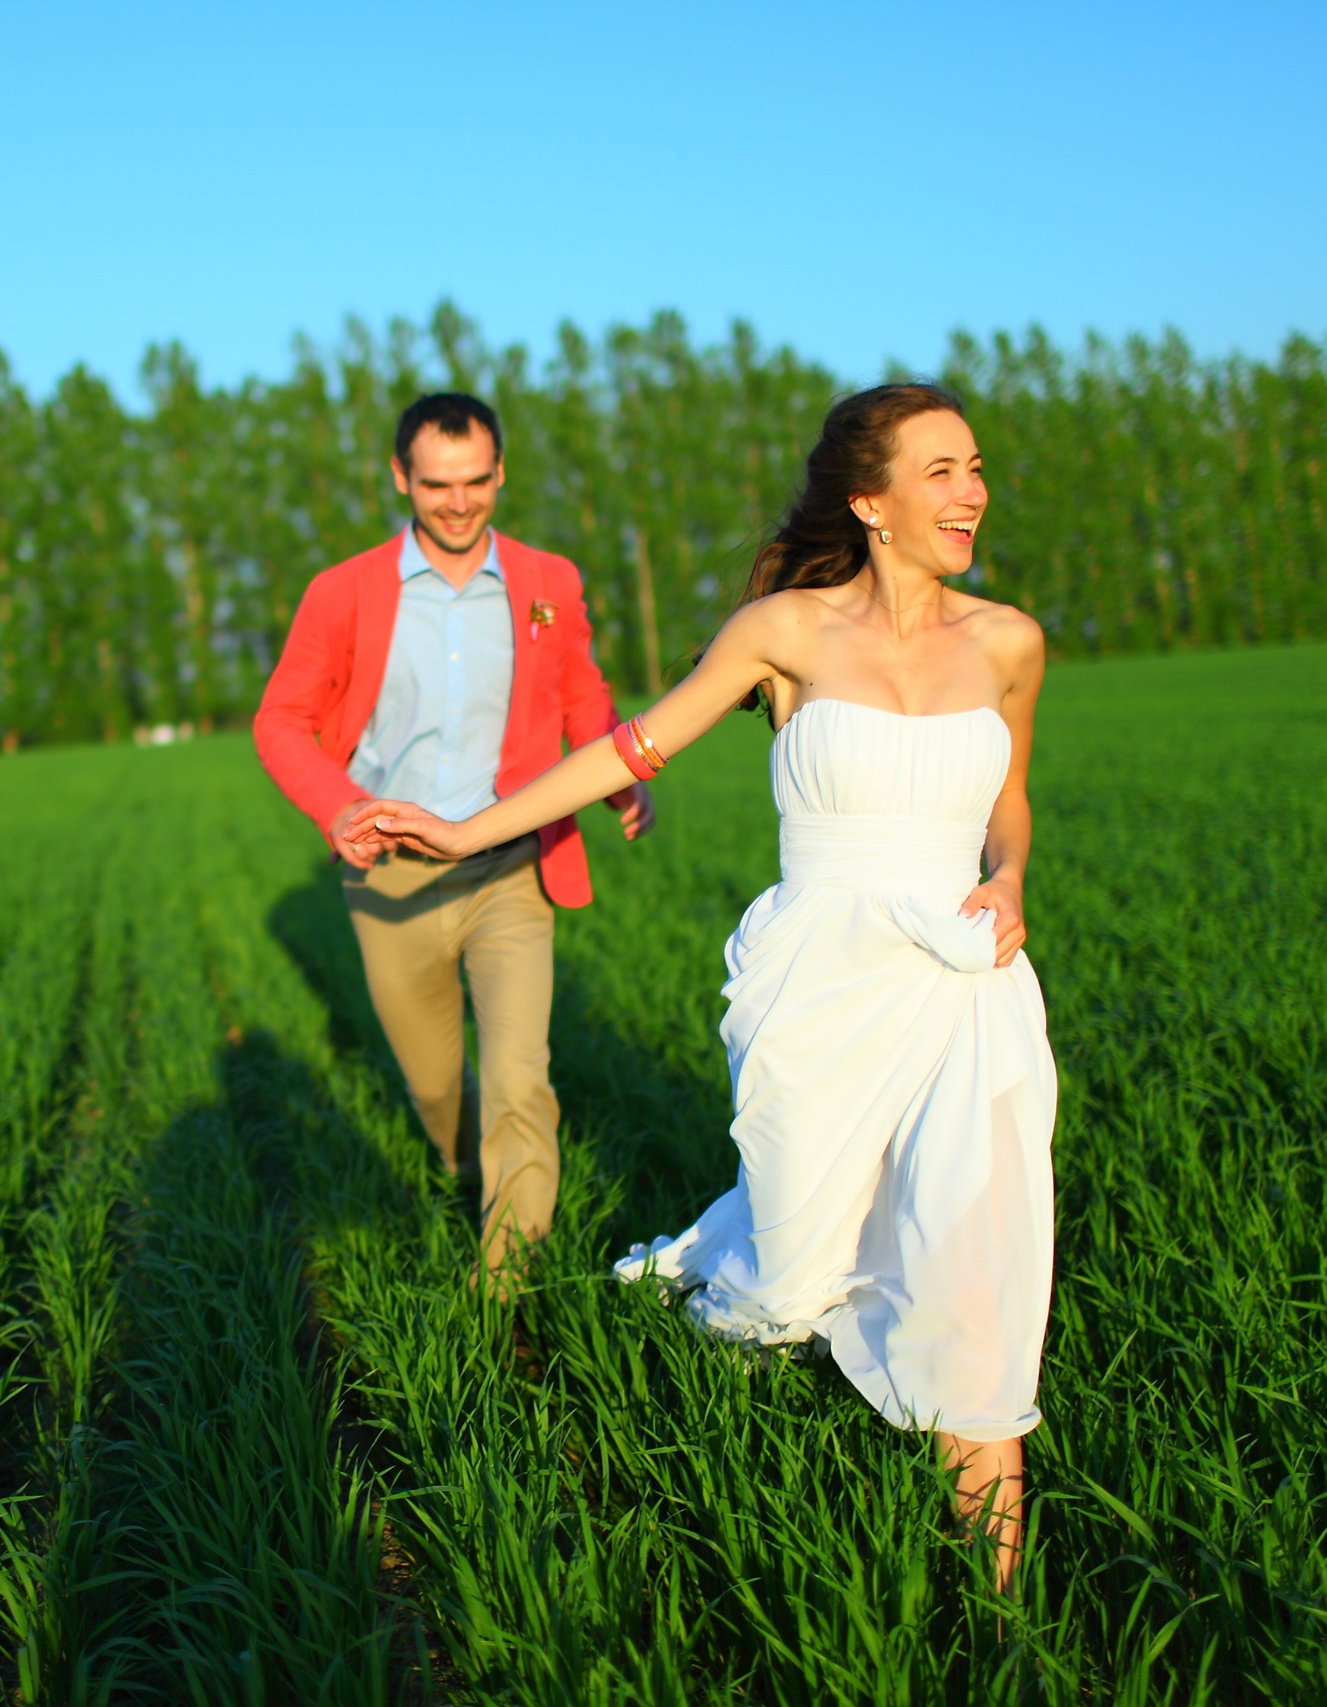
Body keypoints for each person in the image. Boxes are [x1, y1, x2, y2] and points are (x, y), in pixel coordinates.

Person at [344, 383, 1053, 1584]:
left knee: (980, 1268)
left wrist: (1012, 876)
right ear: (871, 502)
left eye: (975, 466)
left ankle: (1004, 1624)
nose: (972, 491)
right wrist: (468, 836)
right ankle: (703, 1326)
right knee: (792, 1273)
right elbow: (628, 748)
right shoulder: (782, 633)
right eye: (941, 471)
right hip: (819, 987)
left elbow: (1010, 802)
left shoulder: (1006, 641)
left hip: (968, 987)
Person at [254, 392, 653, 1278]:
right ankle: (462, 1165)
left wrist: (614, 775)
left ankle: (504, 1285)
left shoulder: (549, 582)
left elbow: (581, 691)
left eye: (477, 481)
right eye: (437, 485)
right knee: (439, 1089)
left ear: (501, 471)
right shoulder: (343, 592)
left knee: (519, 1080)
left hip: (512, 862)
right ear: (401, 477)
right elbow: (280, 720)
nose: (461, 503)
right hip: (389, 874)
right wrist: (338, 805)